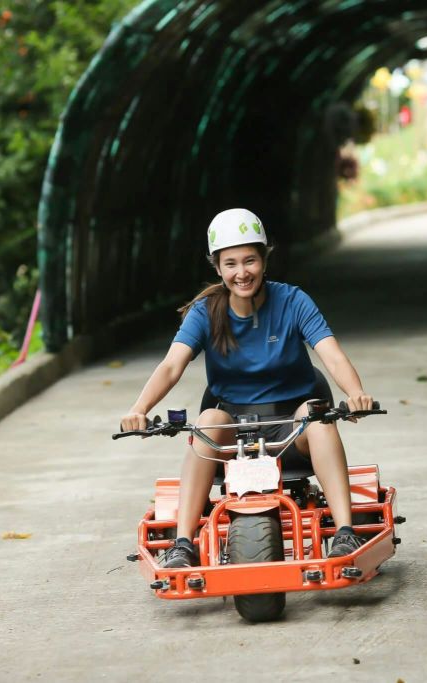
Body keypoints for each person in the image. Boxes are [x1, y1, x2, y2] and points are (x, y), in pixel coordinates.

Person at [119, 208, 376, 568]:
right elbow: (171, 365)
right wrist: (139, 409)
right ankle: (182, 543)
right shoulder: (205, 312)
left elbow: (330, 354)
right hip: (234, 429)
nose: (242, 273)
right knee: (206, 420)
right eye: (231, 264)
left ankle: (345, 533)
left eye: (250, 260)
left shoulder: (293, 301)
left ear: (265, 258)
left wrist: (355, 393)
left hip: (293, 427)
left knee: (317, 419)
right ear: (218, 267)